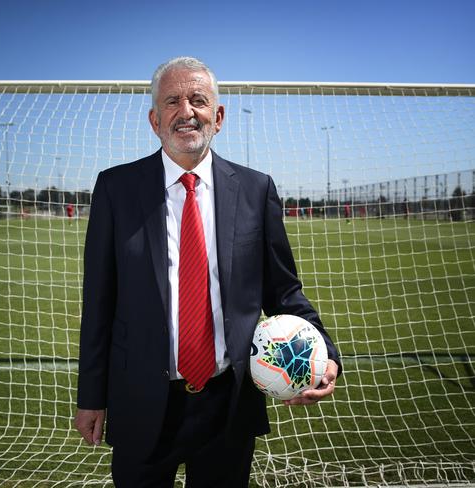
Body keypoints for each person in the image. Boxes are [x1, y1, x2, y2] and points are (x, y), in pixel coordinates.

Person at [74, 56, 342, 487]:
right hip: (142, 402)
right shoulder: (115, 189)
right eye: (173, 101)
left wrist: (326, 356)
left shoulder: (256, 190)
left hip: (229, 406)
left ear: (218, 117)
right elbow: (99, 303)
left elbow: (285, 292)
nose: (186, 112)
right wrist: (91, 397)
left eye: (198, 100)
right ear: (154, 119)